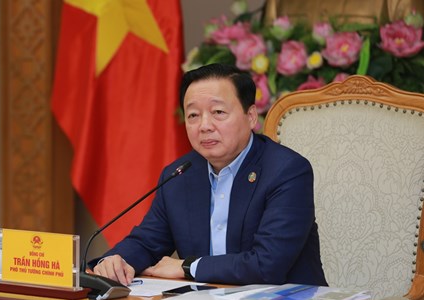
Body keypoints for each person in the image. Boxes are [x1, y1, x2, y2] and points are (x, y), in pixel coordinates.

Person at [90, 63, 327, 287]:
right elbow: (147, 242)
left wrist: (188, 267)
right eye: (193, 115)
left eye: (218, 112)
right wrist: (115, 262)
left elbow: (267, 265)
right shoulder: (179, 175)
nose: (204, 126)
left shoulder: (287, 171)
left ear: (251, 116)